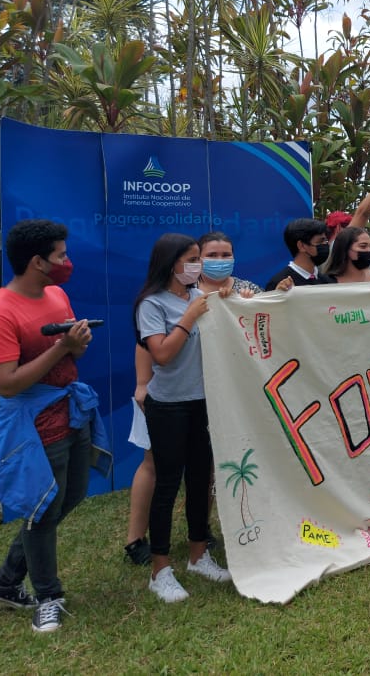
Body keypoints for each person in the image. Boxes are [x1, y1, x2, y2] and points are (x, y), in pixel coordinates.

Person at [0, 219, 106, 634]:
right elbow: (7, 383)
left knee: (71, 496)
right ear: (37, 262)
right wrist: (61, 348)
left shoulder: (57, 294)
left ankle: (5, 581)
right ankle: (48, 596)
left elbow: (68, 357)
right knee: (42, 508)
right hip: (33, 424)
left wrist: (75, 346)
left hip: (71, 412)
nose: (67, 262)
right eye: (60, 256)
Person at [135, 233, 232, 603]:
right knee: (167, 483)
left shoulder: (197, 297)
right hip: (168, 406)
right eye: (192, 259)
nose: (198, 266)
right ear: (171, 263)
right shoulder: (151, 304)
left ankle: (198, 555)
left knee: (198, 480)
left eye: (198, 259)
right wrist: (190, 317)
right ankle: (160, 569)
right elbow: (161, 353)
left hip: (203, 402)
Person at [122, 345, 155, 566]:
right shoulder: (149, 308)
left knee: (205, 462)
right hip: (162, 387)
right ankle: (135, 539)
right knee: (153, 463)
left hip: (204, 384)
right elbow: (145, 333)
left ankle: (201, 532)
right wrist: (143, 382)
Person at [325, 159, 370, 241]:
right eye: (348, 225)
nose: (357, 228)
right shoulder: (341, 246)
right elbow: (362, 214)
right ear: (338, 228)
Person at [264, 218, 334, 290]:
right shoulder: (279, 285)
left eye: (326, 240)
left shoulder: (328, 283)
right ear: (301, 246)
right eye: (320, 241)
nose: (325, 245)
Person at [197, 231, 262, 296]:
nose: (220, 260)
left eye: (226, 255)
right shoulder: (189, 291)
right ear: (198, 258)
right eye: (212, 255)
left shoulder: (250, 289)